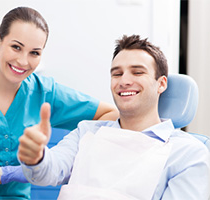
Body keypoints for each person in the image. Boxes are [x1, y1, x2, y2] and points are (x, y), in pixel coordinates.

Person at [0, 6, 119, 200]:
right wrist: (4, 175)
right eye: (16, 47)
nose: (23, 61)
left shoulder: (44, 92)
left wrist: (60, 157)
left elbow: (110, 115)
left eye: (34, 53)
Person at [18, 35, 210, 199]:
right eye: (117, 74)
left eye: (137, 72)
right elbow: (47, 172)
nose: (124, 81)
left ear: (161, 84)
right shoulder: (86, 132)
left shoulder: (188, 154)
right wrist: (36, 157)